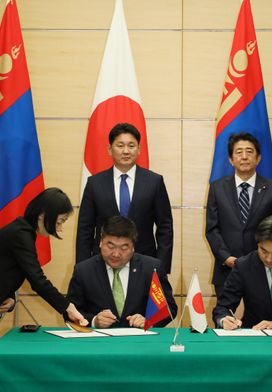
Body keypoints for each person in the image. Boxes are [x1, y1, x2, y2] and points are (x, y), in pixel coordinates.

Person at [76, 123, 173, 274]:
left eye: (131, 145)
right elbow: (85, 229)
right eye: (120, 145)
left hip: (144, 262)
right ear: (110, 149)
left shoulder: (154, 182)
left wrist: (161, 267)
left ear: (139, 149)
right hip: (103, 262)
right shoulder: (95, 183)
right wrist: (82, 268)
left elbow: (165, 227)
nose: (126, 151)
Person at [206, 132, 272, 297]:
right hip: (226, 270)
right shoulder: (217, 188)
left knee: (259, 320)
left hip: (262, 267)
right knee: (227, 318)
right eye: (238, 152)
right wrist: (226, 257)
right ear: (230, 159)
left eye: (249, 152)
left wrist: (263, 257)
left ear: (258, 158)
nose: (244, 156)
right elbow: (212, 229)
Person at [67, 216, 177, 328]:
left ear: (133, 247)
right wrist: (94, 321)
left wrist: (149, 321)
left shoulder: (151, 268)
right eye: (110, 246)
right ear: (100, 242)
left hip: (139, 341)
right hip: (99, 342)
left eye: (123, 248)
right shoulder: (84, 270)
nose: (116, 254)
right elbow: (70, 312)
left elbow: (169, 308)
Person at [0, 188, 88, 326]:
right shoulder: (21, 234)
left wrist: (9, 297)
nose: (59, 229)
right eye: (59, 222)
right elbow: (37, 280)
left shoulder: (23, 231)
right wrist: (68, 307)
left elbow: (8, 268)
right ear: (42, 215)